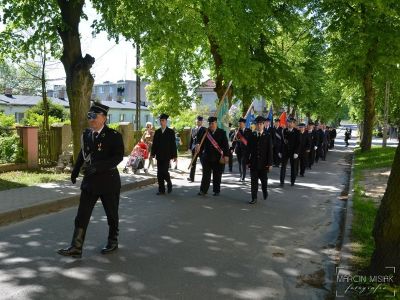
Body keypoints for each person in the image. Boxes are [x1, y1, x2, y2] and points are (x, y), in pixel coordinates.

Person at [57, 102, 124, 258]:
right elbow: (82, 153)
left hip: (109, 181)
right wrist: (75, 170)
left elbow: (118, 157)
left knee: (112, 214)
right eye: (89, 116)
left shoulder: (114, 136)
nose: (91, 119)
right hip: (90, 182)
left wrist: (98, 167)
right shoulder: (87, 134)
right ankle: (76, 247)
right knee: (82, 215)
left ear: (104, 118)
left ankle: (113, 241)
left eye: (94, 116)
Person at [196, 116, 229, 196]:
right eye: (210, 123)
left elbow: (225, 145)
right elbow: (200, 141)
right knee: (206, 175)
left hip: (217, 158)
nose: (211, 125)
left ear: (216, 123)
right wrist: (198, 145)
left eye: (212, 123)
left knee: (217, 175)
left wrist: (226, 155)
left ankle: (216, 190)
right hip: (207, 157)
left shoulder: (222, 132)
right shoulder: (206, 133)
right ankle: (203, 190)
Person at [246, 116, 273, 204]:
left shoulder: (267, 136)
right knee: (254, 182)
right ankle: (254, 198)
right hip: (253, 163)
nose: (259, 126)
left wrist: (270, 164)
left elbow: (270, 151)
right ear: (256, 125)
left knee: (264, 181)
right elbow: (248, 150)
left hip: (264, 164)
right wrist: (247, 162)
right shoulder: (252, 135)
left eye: (261, 124)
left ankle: (264, 191)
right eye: (257, 124)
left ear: (263, 125)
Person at [151, 114, 177, 195]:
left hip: (167, 155)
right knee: (159, 173)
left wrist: (175, 156)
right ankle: (161, 189)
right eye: (161, 121)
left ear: (166, 121)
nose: (162, 122)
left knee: (164, 171)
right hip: (159, 155)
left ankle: (169, 183)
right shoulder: (158, 132)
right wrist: (152, 153)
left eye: (163, 121)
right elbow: (154, 144)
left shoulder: (170, 132)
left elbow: (173, 144)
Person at [279, 117, 300, 186]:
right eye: (288, 122)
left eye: (291, 122)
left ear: (294, 124)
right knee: (283, 167)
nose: (289, 124)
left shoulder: (297, 132)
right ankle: (282, 181)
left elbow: (298, 143)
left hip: (293, 152)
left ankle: (292, 181)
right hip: (285, 151)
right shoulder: (284, 131)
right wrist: (280, 151)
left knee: (293, 167)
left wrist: (296, 152)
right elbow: (281, 142)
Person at [233, 117, 252, 182]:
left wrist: (250, 150)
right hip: (239, 150)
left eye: (241, 123)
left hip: (246, 150)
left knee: (243, 163)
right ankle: (241, 175)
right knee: (239, 163)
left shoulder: (249, 131)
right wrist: (232, 148)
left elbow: (250, 142)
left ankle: (243, 176)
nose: (240, 125)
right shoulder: (237, 131)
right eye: (239, 124)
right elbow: (233, 140)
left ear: (244, 124)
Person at [188, 116, 206, 182]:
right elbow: (191, 139)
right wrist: (190, 147)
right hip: (194, 148)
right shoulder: (193, 129)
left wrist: (201, 146)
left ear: (201, 122)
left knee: (203, 163)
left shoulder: (204, 129)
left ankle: (206, 176)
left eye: (199, 121)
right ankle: (191, 177)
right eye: (196, 121)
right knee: (193, 163)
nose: (197, 122)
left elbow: (205, 140)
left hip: (201, 148)